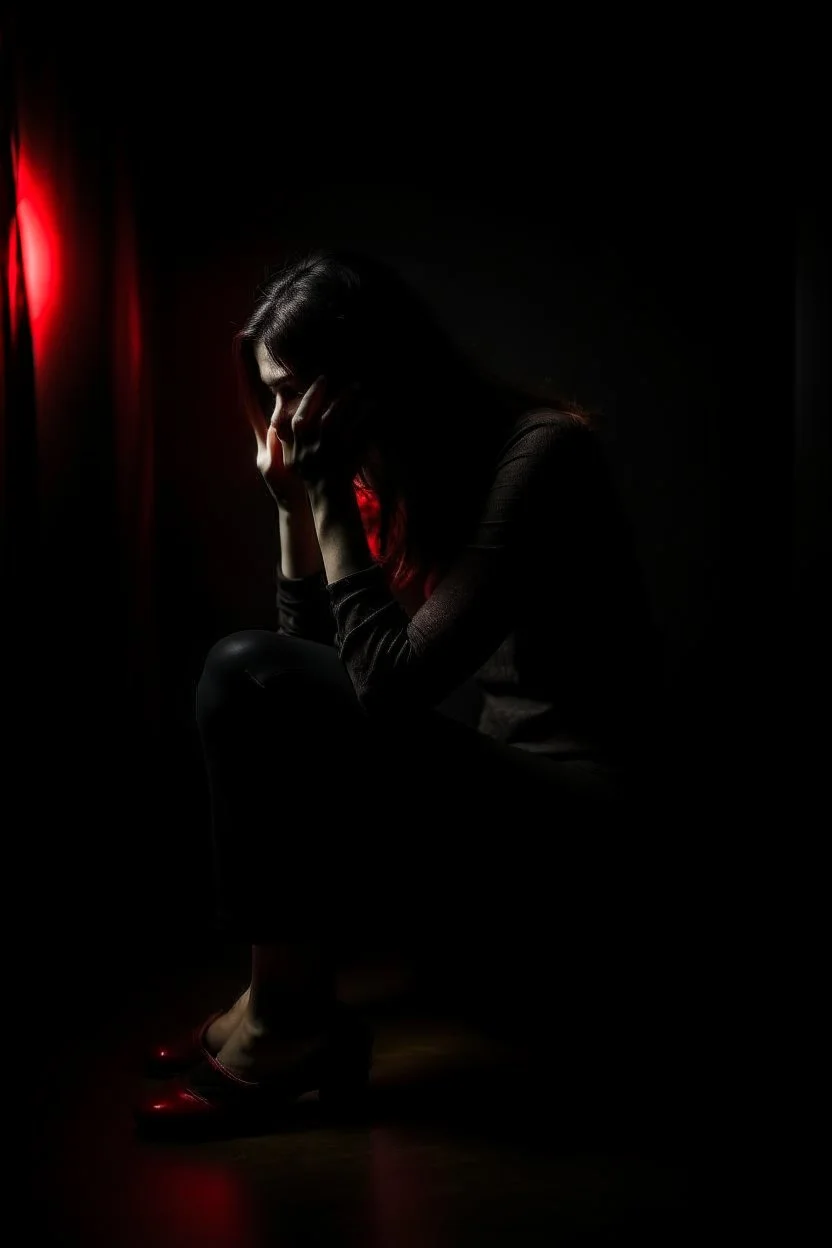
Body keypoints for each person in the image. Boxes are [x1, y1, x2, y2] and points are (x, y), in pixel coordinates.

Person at [133, 248, 667, 1136]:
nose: (287, 420)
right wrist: (293, 511)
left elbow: (381, 692)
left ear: (370, 376)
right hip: (497, 803)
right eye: (274, 394)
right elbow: (302, 693)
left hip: (586, 819)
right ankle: (281, 1000)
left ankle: (285, 1020)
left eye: (300, 390)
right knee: (252, 677)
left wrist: (329, 495)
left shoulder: (541, 454)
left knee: (240, 668)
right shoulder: (407, 477)